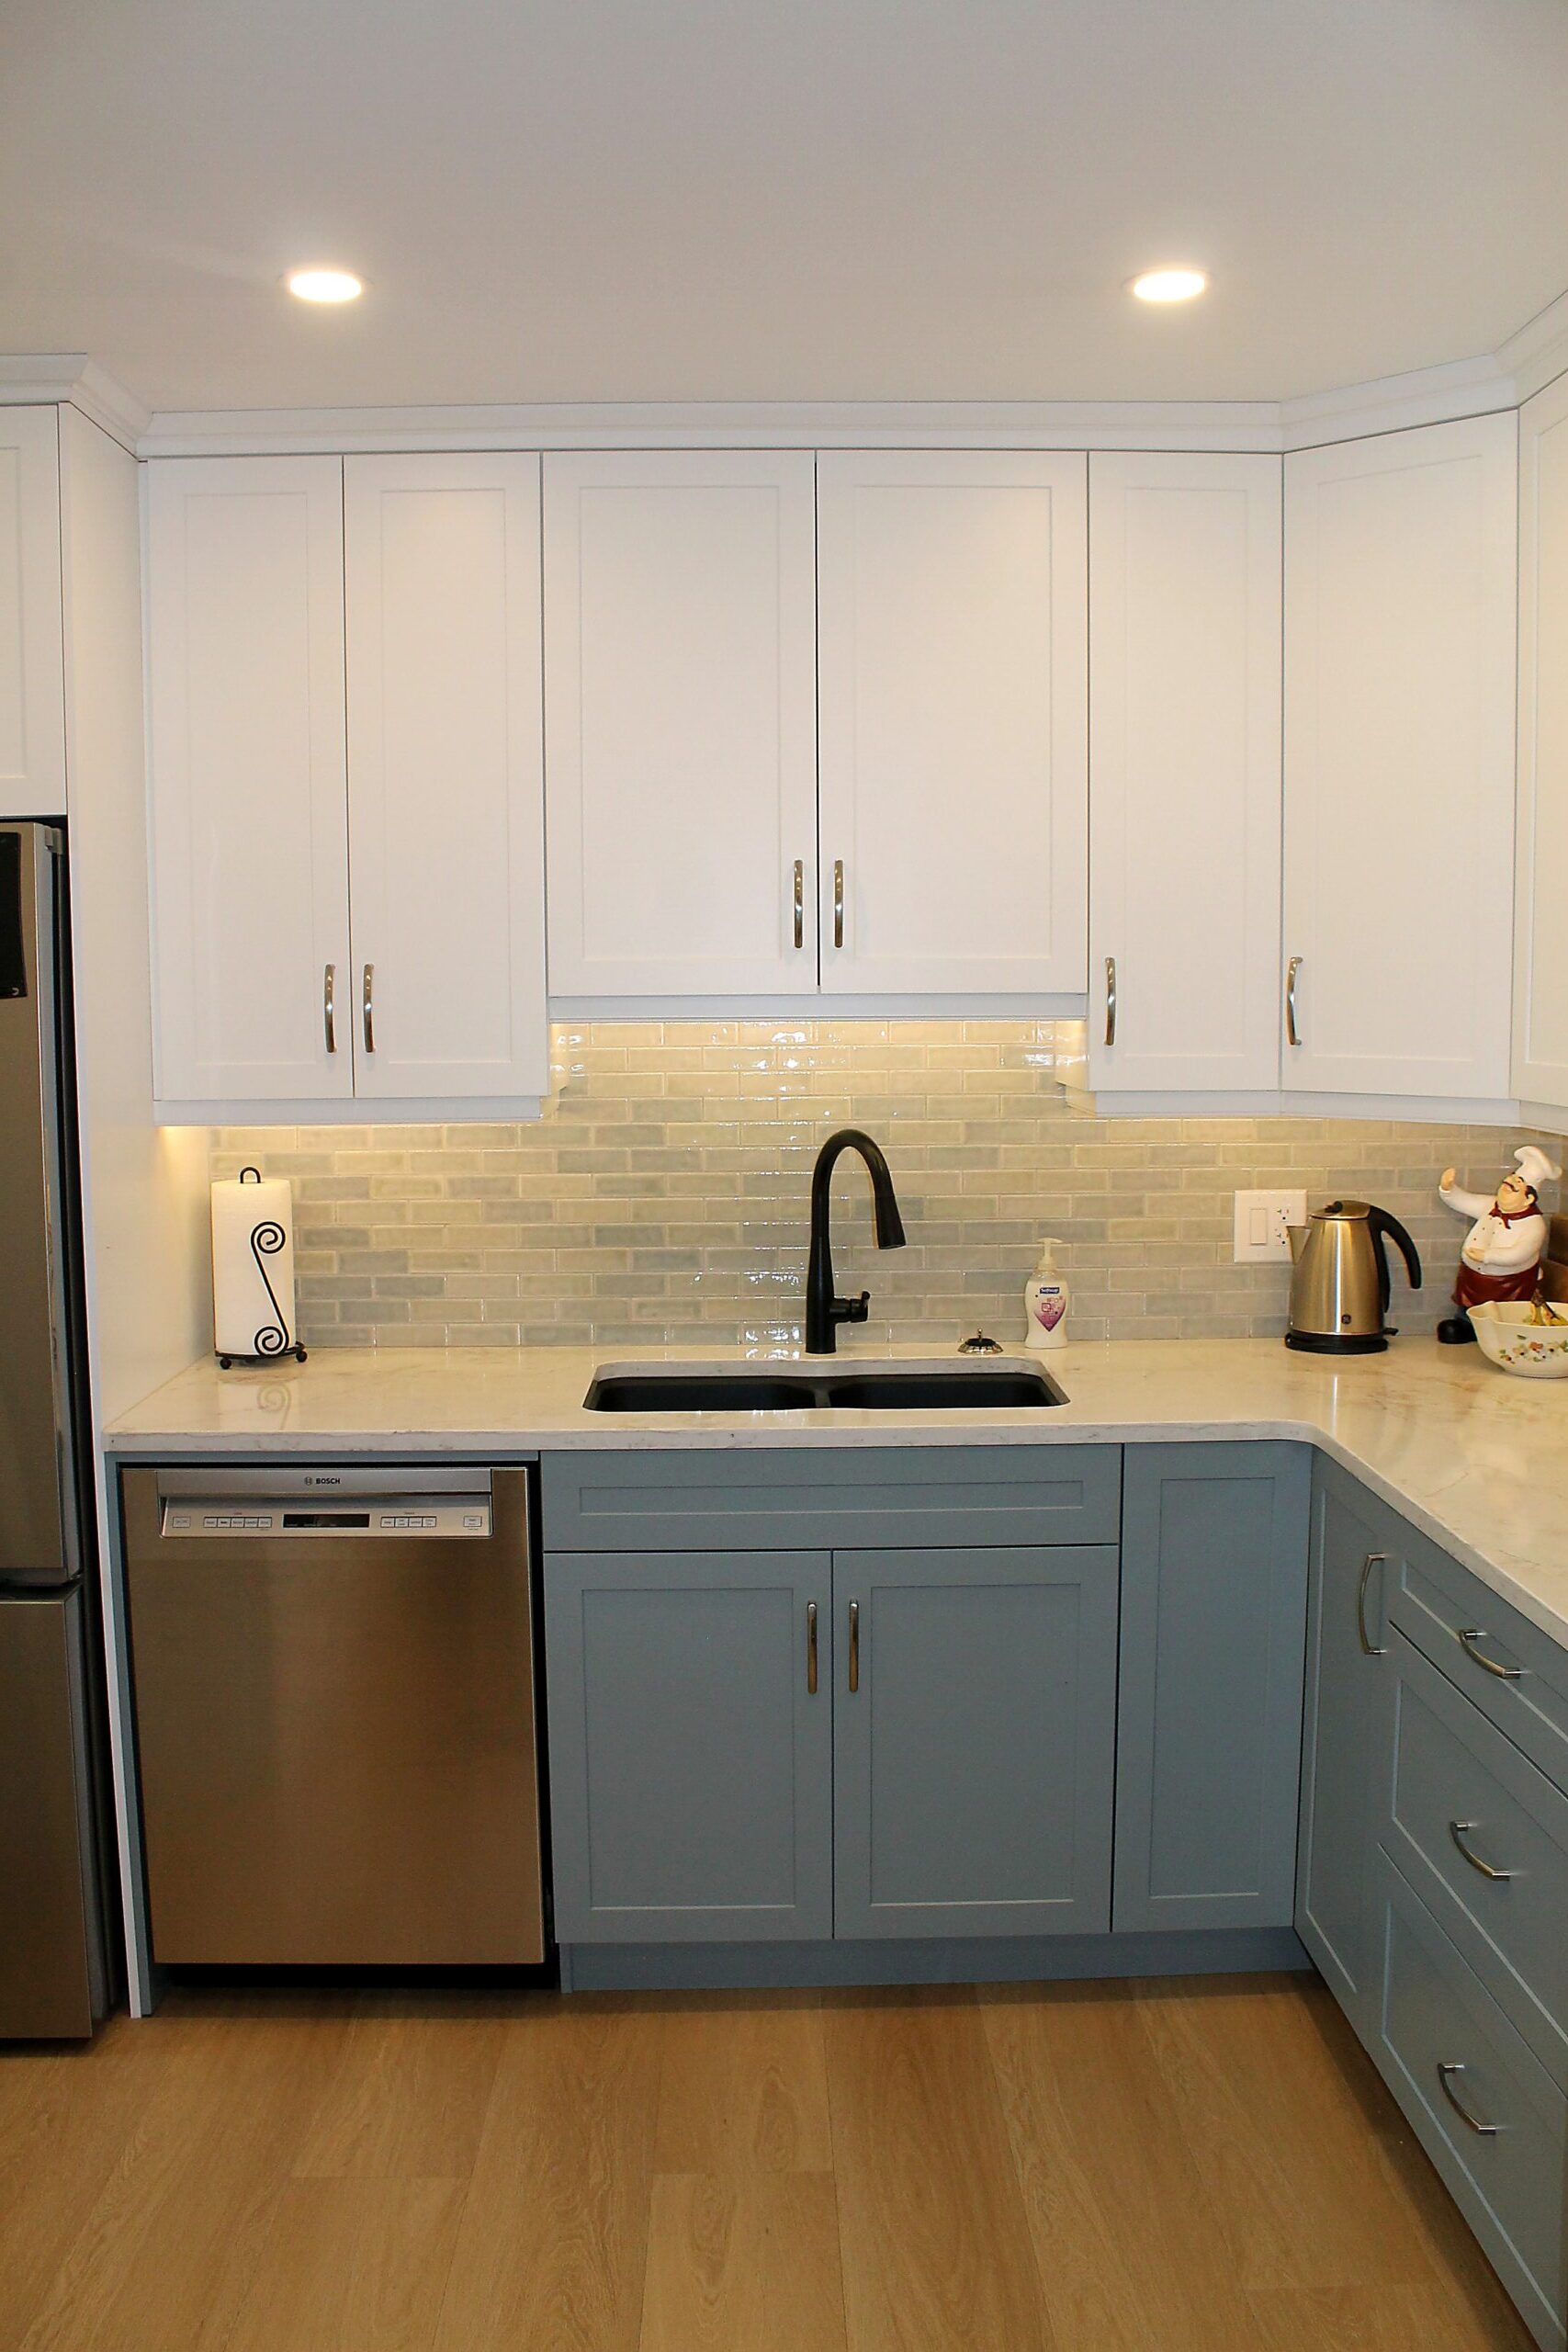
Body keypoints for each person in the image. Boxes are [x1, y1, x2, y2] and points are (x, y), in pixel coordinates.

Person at [1437, 1145, 1562, 1343]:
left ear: (1528, 1198)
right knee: (1470, 1305)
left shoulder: (1534, 1225)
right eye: (1507, 1182)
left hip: (1510, 1283)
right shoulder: (1490, 1205)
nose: (1506, 1186)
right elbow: (1463, 1201)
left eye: (1514, 1186)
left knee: (1506, 1310)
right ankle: (1465, 1325)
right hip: (1473, 1277)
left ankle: (1505, 1332)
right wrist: (1448, 1188)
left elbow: (1520, 1253)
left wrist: (1488, 1257)